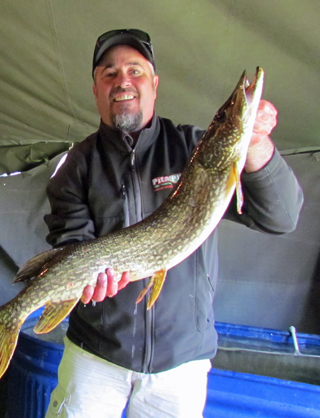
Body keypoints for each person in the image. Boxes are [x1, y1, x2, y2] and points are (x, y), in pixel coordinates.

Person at [44, 29, 303, 418]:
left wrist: (255, 144)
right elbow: (71, 244)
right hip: (95, 355)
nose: (123, 81)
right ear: (96, 88)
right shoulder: (76, 166)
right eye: (109, 73)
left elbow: (280, 217)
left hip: (180, 364)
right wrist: (87, 283)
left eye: (135, 70)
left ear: (155, 84)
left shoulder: (193, 150)